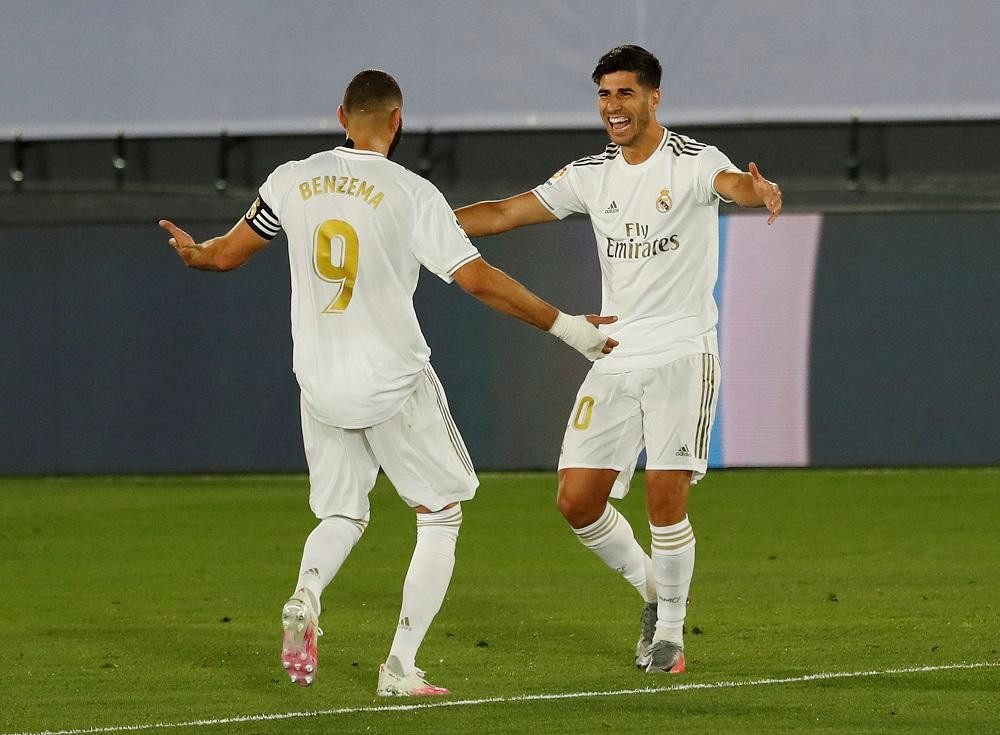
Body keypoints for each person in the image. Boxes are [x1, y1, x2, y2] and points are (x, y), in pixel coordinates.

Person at [159, 69, 617, 697]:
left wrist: (194, 252)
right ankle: (400, 666)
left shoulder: (290, 180)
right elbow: (478, 280)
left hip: (319, 381)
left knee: (343, 511)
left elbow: (226, 254)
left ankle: (306, 593)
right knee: (440, 514)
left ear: (341, 116)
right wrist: (570, 328)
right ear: (397, 121)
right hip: (391, 380)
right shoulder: (411, 193)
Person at [455, 45, 782, 675]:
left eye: (626, 94)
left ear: (654, 97)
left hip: (683, 351)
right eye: (605, 95)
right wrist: (431, 223)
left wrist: (756, 188)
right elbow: (503, 212)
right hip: (615, 352)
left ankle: (671, 635)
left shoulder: (691, 161)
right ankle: (653, 594)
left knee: (665, 494)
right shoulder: (590, 175)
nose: (614, 108)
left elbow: (732, 185)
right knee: (577, 502)